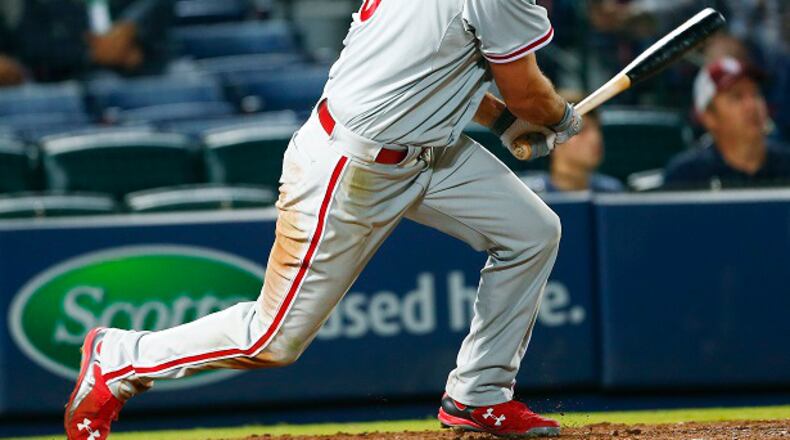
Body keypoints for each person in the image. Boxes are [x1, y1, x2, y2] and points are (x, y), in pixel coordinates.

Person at [64, 1, 583, 438]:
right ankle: (121, 356)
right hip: (352, 167)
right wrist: (560, 118)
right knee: (272, 339)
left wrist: (506, 119)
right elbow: (528, 91)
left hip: (430, 152)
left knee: (532, 233)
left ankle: (478, 393)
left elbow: (433, 70)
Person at [663, 57, 790, 190]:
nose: (751, 105)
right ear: (708, 117)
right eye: (737, 97)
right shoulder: (687, 175)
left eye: (755, 94)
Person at [0, 0, 173, 86]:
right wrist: (92, 54)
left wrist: (131, 29)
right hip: (72, 76)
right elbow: (34, 48)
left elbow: (159, 7)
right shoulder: (40, 5)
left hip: (149, 64)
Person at [522, 93, 623, 193]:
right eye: (581, 130)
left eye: (598, 129)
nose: (595, 138)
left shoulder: (611, 193)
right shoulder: (530, 196)